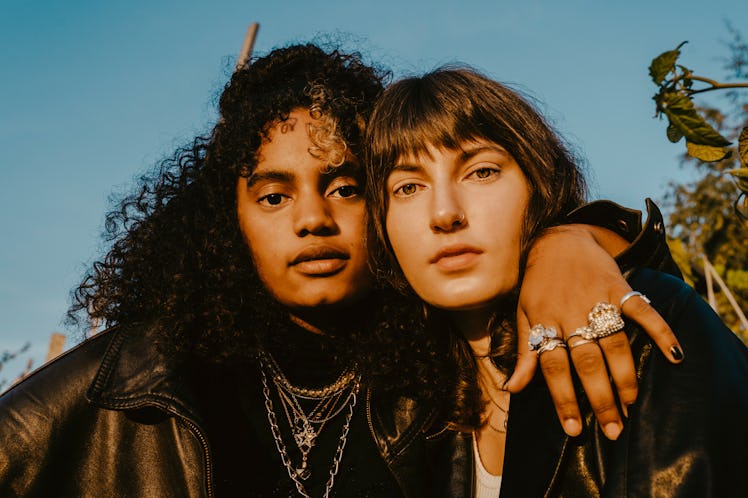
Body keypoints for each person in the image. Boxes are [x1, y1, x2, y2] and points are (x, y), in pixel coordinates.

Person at [0, 42, 681, 497]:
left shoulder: (436, 354)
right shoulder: (139, 381)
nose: (312, 219)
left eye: (346, 187)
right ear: (224, 225)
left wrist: (570, 241)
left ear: (387, 200)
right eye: (273, 196)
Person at [365, 65, 748, 497]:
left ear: (539, 185)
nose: (445, 214)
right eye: (408, 187)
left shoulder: (647, 327)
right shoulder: (403, 400)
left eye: (482, 172)